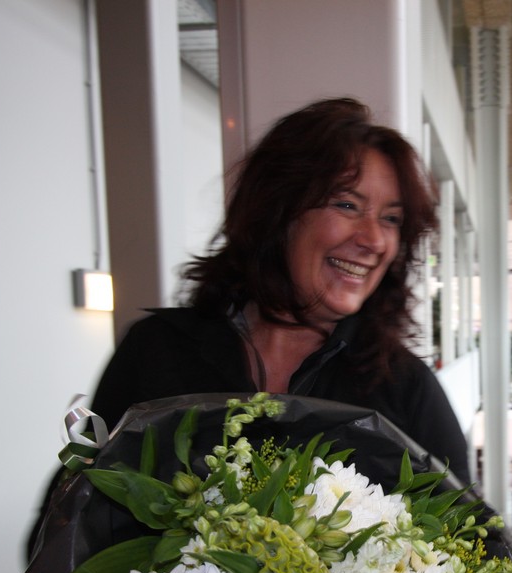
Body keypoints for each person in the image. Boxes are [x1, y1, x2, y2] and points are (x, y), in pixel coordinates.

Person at [86, 97, 471, 487]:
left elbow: (466, 524)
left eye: (390, 219)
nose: (373, 240)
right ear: (278, 210)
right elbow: (75, 506)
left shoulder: (405, 388)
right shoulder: (156, 351)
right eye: (346, 204)